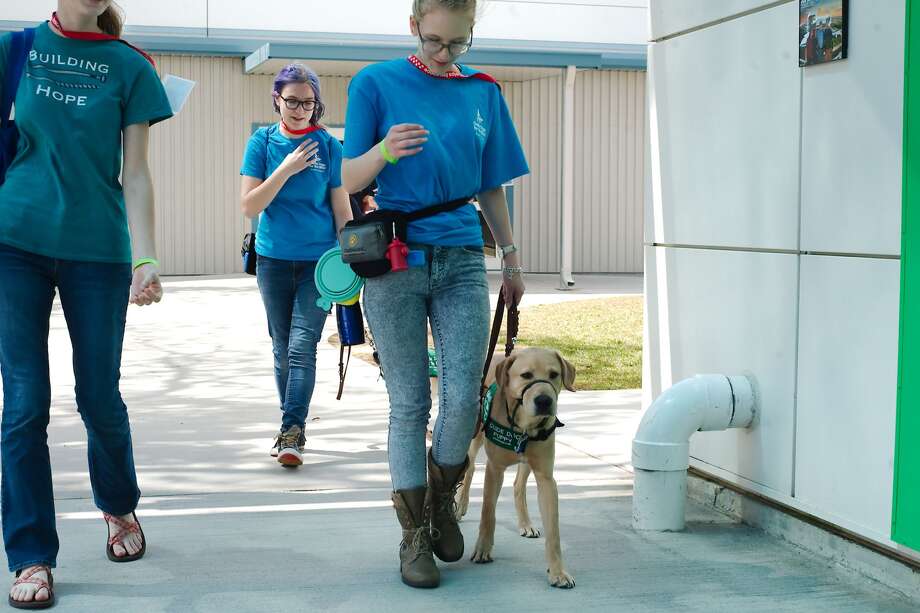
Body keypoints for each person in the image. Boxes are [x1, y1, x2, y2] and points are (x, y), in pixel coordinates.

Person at [342, 0, 527, 589]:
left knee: (464, 396)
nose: (445, 55)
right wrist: (384, 151)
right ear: (414, 26)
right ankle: (413, 535)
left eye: (458, 44)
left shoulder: (483, 92)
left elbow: (491, 186)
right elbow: (347, 179)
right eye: (435, 42)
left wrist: (511, 257)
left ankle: (442, 500)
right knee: (408, 403)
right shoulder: (375, 83)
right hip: (394, 257)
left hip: (462, 257)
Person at [0, 1, 172, 608]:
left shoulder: (130, 65)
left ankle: (119, 506)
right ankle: (30, 555)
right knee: (24, 404)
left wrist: (145, 257)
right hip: (13, 241)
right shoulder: (14, 50)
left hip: (98, 250)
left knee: (99, 395)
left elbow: (137, 173)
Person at [240, 63, 352, 468]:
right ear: (277, 100)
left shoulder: (329, 146)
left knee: (303, 347)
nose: (301, 109)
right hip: (272, 260)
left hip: (318, 265)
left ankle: (292, 430)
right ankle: (291, 424)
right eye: (292, 101)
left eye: (308, 103)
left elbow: (340, 205)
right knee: (282, 347)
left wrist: (349, 256)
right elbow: (250, 205)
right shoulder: (262, 142)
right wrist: (285, 169)